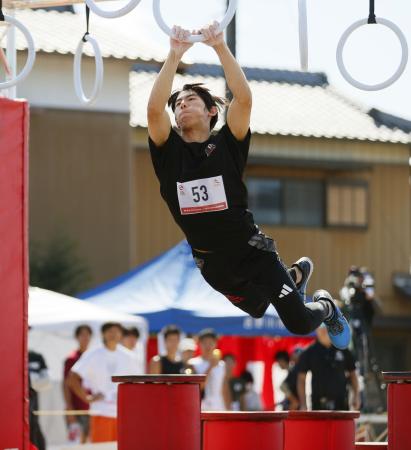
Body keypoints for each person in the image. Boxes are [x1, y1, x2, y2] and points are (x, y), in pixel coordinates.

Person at [146, 21, 350, 350]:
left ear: (212, 111)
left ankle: (325, 305)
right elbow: (155, 110)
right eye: (178, 104)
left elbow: (243, 100)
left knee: (297, 323)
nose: (181, 105)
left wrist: (219, 46)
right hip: (213, 265)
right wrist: (174, 55)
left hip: (252, 251)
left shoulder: (226, 145)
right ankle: (294, 277)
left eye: (190, 100)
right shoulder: (169, 155)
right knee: (256, 308)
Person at [67, 322, 139, 443]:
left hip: (123, 414)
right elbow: (72, 378)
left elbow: (137, 383)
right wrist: (87, 398)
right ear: (103, 334)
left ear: (121, 334)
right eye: (110, 331)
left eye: (117, 331)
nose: (114, 334)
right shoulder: (93, 354)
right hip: (100, 412)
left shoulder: (129, 356)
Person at [297, 326, 360, 411]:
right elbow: (301, 378)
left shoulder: (343, 349)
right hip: (318, 404)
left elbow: (352, 373)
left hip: (341, 403)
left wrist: (356, 395)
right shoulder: (309, 352)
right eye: (321, 327)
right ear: (316, 329)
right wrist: (303, 404)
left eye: (327, 327)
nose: (324, 330)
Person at [63, 324, 93, 443]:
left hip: (93, 408)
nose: (85, 338)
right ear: (77, 337)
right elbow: (66, 384)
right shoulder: (71, 359)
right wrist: (70, 408)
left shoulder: (94, 356)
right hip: (77, 408)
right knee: (76, 443)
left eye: (87, 335)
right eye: (82, 335)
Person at [189, 328, 230, 410]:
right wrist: (210, 366)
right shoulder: (193, 363)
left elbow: (225, 389)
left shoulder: (222, 365)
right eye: (205, 343)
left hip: (219, 407)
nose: (208, 346)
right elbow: (198, 387)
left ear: (215, 344)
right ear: (199, 344)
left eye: (211, 342)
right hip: (201, 407)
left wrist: (228, 408)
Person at [28, 349, 50, 450]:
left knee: (33, 429)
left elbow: (46, 382)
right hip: (11, 408)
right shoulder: (8, 353)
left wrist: (30, 380)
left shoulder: (36, 356)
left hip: (32, 408)